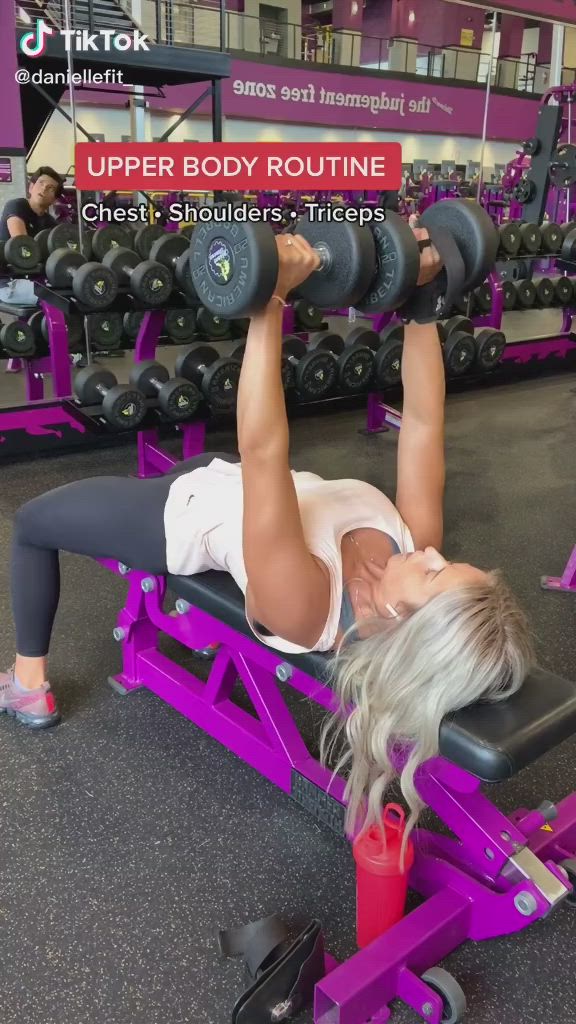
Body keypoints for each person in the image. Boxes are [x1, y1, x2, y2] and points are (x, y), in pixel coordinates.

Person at [0, 226, 534, 844]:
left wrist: (271, 299)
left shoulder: (304, 609)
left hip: (180, 512)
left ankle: (29, 684)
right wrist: (421, 305)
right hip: (231, 477)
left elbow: (264, 450)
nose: (435, 551)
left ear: (406, 621)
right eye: (451, 561)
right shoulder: (412, 540)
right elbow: (420, 423)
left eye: (437, 573)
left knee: (33, 522)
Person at [0, 166, 64, 242]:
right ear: (31, 187)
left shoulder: (51, 223)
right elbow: (23, 245)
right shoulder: (16, 205)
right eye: (41, 183)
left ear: (54, 200)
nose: (44, 189)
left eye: (50, 188)